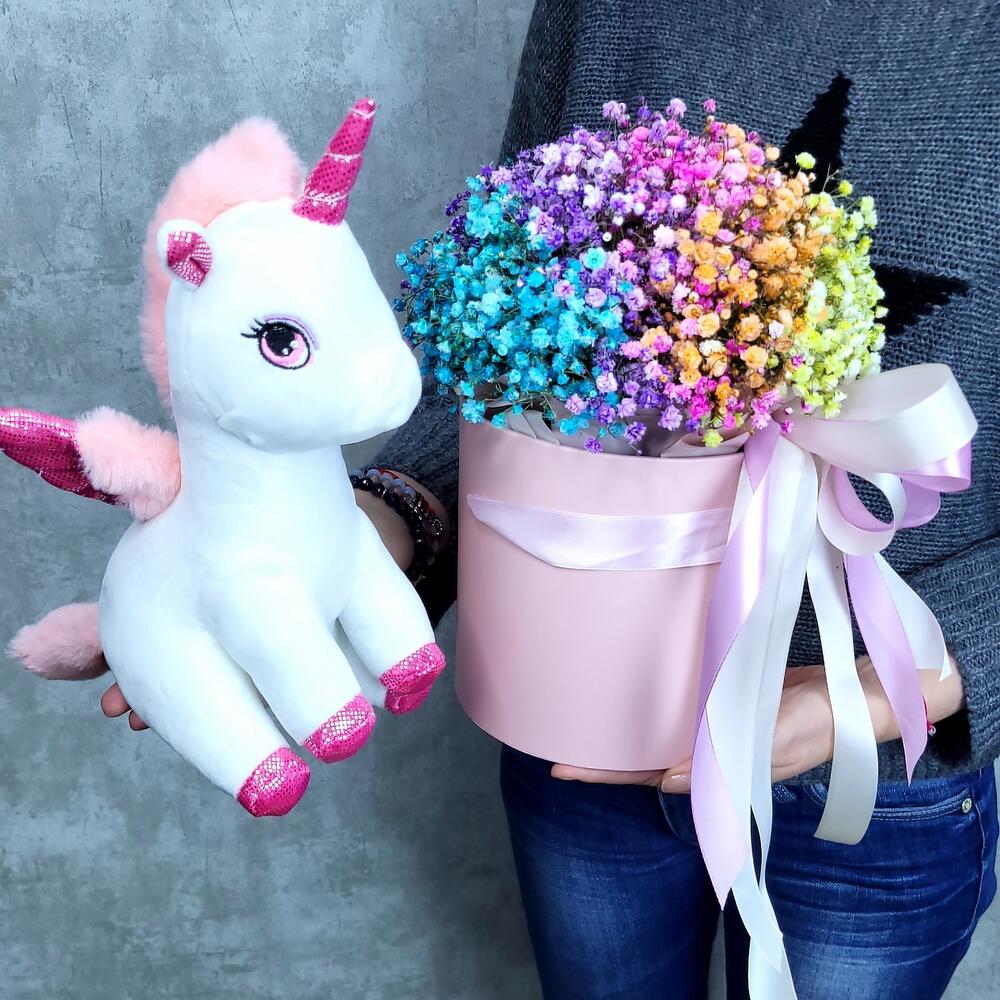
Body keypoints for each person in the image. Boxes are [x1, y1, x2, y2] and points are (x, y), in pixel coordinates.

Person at [103, 1, 1000, 995]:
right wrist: (350, 531)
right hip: (579, 709)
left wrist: (902, 685)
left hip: (879, 768)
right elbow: (506, 357)